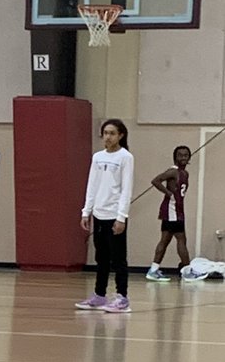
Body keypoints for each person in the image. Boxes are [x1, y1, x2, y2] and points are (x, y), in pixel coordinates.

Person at [75, 118, 135, 313]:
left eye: (112, 133)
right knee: (101, 257)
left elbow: (126, 189)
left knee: (118, 258)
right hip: (99, 214)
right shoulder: (98, 157)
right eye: (105, 133)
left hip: (114, 214)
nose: (108, 137)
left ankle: (122, 297)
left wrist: (121, 216)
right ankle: (99, 295)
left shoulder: (125, 157)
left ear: (120, 136)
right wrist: (87, 211)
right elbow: (92, 185)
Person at [146, 145, 192, 281]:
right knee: (181, 240)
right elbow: (155, 180)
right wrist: (169, 193)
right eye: (180, 155)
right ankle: (188, 271)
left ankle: (153, 270)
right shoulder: (173, 171)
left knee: (165, 241)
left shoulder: (185, 173)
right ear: (175, 157)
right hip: (172, 211)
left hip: (177, 210)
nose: (183, 157)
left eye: (186, 155)